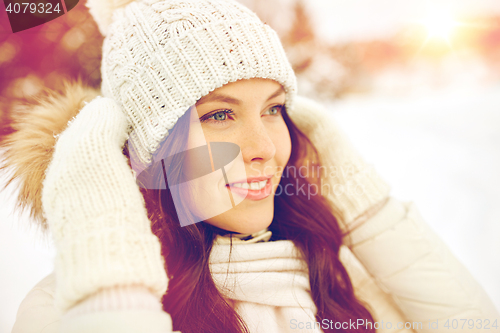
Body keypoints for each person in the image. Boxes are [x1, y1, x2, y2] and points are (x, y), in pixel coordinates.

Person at [1, 0, 498, 332]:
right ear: (148, 151)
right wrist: (106, 248)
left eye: (274, 109)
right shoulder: (62, 311)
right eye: (219, 114)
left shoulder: (337, 273)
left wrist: (365, 205)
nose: (264, 147)